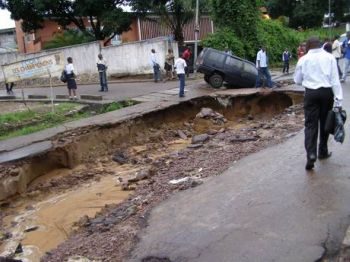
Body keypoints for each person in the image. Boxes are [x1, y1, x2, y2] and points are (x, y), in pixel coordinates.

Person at [294, 36, 343, 170]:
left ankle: (311, 154)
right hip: (327, 94)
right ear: (320, 45)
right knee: (325, 123)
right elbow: (335, 80)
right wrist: (338, 100)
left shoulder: (303, 60)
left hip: (310, 94)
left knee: (310, 125)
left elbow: (297, 80)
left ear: (308, 47)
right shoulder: (329, 57)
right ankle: (322, 151)